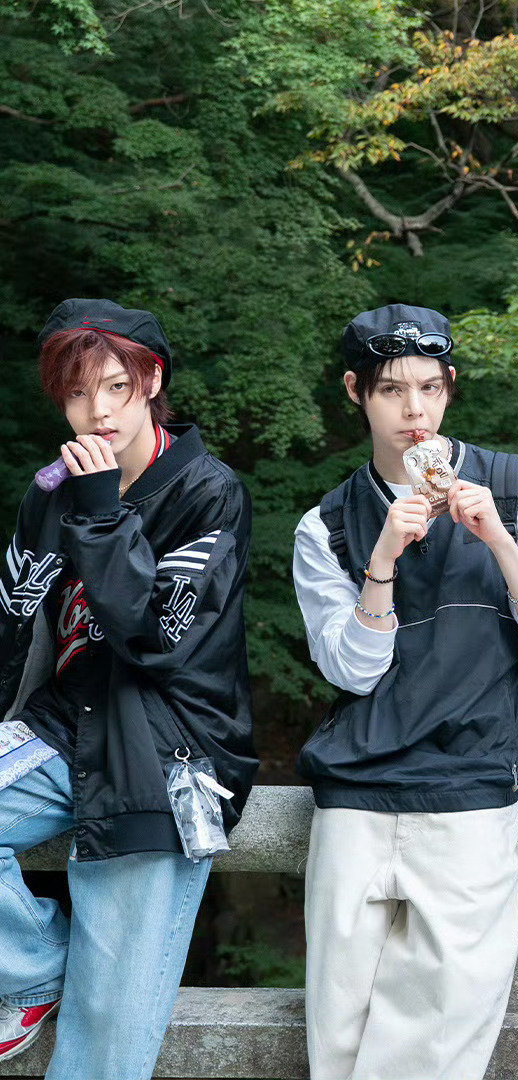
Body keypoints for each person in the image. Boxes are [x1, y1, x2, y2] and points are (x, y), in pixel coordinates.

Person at [292, 303, 518, 1080]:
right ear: (356, 392)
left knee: (439, 1039)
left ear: (450, 386)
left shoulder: (513, 488)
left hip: (472, 790)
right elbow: (352, 671)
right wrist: (382, 561)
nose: (414, 411)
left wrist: (499, 541)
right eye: (392, 390)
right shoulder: (326, 525)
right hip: (353, 799)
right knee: (339, 1033)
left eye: (429, 387)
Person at [0, 298, 257, 1077]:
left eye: (116, 387)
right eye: (78, 393)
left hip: (165, 753)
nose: (99, 412)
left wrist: (103, 510)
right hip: (63, 724)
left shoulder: (210, 491)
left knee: (107, 1036)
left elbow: (155, 636)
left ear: (152, 381)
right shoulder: (51, 488)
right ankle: (32, 968)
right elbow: (15, 627)